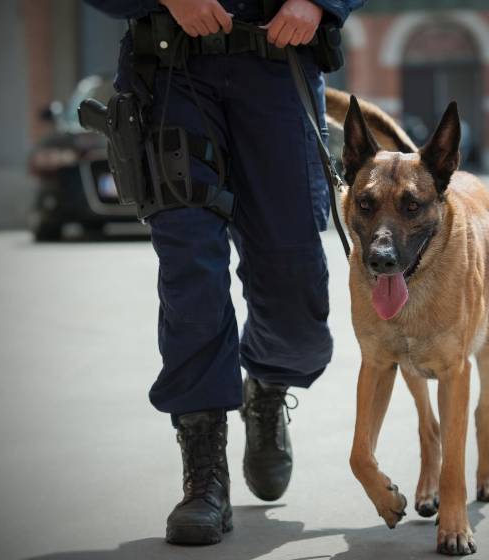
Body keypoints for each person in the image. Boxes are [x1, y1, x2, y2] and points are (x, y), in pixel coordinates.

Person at [85, 0, 362, 547]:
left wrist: (319, 3)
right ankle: (204, 473)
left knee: (295, 289)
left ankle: (267, 383)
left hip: (279, 69)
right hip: (171, 74)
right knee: (192, 272)